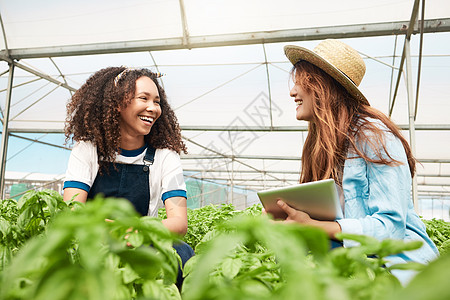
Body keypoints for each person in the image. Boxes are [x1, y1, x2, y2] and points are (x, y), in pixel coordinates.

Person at [278, 39, 439, 285]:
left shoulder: (374, 136)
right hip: (349, 259)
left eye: (302, 82)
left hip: (396, 267)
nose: (292, 92)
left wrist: (314, 226)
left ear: (322, 86)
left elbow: (390, 227)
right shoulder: (319, 144)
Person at [62, 66, 194, 288]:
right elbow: (72, 209)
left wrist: (137, 231)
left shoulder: (164, 156)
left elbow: (179, 222)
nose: (153, 108)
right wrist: (112, 230)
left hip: (144, 242)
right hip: (94, 240)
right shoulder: (87, 149)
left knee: (182, 253)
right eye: (144, 98)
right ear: (116, 102)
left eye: (157, 101)